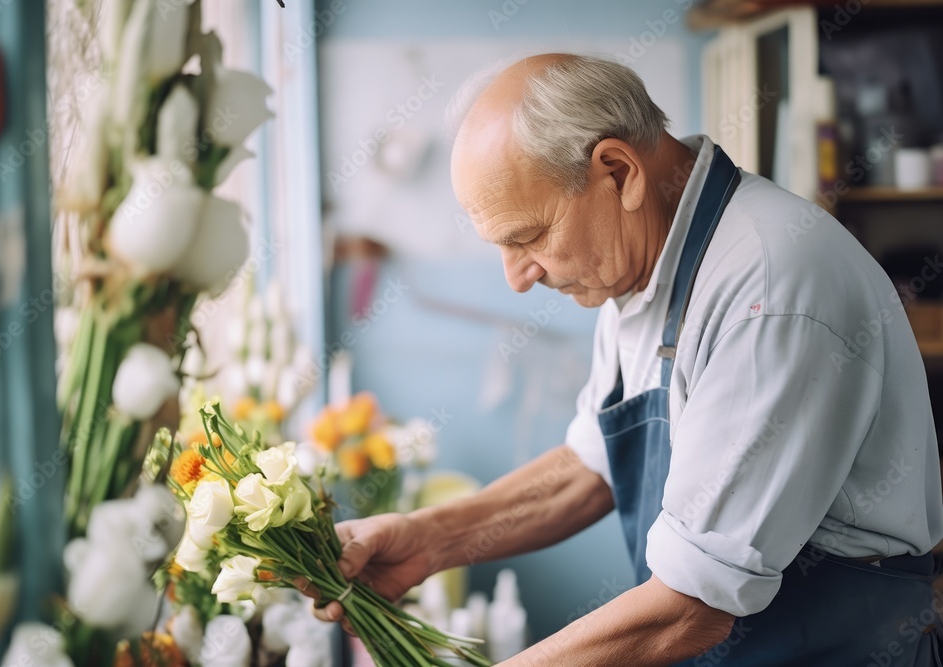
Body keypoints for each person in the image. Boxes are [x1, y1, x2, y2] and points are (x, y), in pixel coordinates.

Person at [309, 54, 943, 665]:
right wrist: (428, 539)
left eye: (527, 237)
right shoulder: (640, 263)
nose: (517, 278)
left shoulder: (771, 288)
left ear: (616, 172)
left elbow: (693, 605)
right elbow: (594, 468)